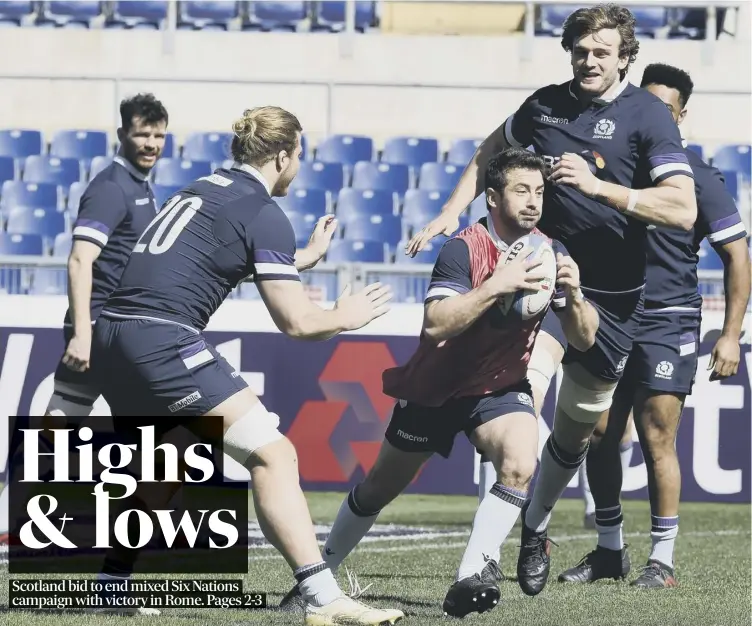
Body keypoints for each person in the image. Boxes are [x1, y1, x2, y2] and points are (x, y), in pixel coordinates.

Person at [405, 3, 697, 597]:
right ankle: (476, 566)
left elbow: (682, 208)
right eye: (581, 50)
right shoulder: (543, 105)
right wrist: (450, 209)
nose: (589, 60)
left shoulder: (647, 115)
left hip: (614, 305)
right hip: (547, 279)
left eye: (602, 52)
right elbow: (492, 147)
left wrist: (598, 187)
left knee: (578, 435)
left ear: (624, 57)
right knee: (522, 405)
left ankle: (534, 528)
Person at [89, 106, 404, 626]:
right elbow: (298, 323)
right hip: (162, 338)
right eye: (299, 154)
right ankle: (324, 598)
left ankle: (110, 584)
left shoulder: (200, 187)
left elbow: (207, 255)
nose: (299, 164)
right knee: (273, 455)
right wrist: (345, 315)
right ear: (282, 155)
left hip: (114, 334)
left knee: (170, 460)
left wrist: (297, 259)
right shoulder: (263, 211)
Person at [280, 148, 600, 618]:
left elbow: (585, 338)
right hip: (436, 387)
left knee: (519, 458)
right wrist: (496, 285)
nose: (533, 201)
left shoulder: (551, 252)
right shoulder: (463, 247)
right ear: (492, 197)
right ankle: (315, 581)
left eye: (539, 191)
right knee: (378, 489)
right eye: (521, 191)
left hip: (499, 386)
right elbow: (435, 324)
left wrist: (573, 296)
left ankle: (471, 576)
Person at [557, 63, 750, 589]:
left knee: (656, 435)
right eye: (645, 104)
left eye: (665, 109)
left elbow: (736, 255)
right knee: (599, 434)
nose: (653, 117)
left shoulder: (697, 176)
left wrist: (730, 334)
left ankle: (661, 561)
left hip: (668, 319)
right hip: (611, 314)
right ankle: (608, 551)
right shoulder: (612, 168)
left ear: (681, 115)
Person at [0, 93, 169, 554]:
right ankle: (126, 560)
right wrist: (82, 331)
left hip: (108, 331)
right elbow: (80, 260)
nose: (151, 143)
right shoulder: (112, 187)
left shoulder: (142, 186)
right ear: (122, 135)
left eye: (158, 134)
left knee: (57, 424)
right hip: (103, 333)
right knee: (155, 444)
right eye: (142, 134)